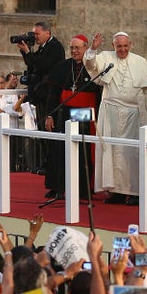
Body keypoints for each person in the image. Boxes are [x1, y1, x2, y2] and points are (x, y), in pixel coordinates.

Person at [84, 31, 147, 205]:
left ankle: (137, 192)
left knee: (133, 154)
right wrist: (93, 48)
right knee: (113, 152)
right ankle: (117, 192)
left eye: (125, 46)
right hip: (111, 112)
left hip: (135, 114)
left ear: (130, 45)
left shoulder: (141, 61)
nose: (122, 49)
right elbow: (90, 64)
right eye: (118, 46)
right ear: (113, 46)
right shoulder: (106, 57)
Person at [42, 34, 102, 200]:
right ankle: (57, 187)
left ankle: (83, 189)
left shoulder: (94, 67)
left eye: (78, 48)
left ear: (85, 48)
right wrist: (49, 115)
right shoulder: (62, 67)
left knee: (82, 151)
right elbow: (53, 95)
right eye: (72, 48)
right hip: (65, 112)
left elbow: (99, 95)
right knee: (59, 150)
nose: (74, 51)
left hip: (85, 114)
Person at [16, 21, 66, 175]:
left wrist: (29, 53)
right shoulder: (43, 47)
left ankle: (51, 164)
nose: (35, 37)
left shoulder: (55, 47)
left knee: (48, 129)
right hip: (41, 95)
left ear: (47, 33)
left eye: (37, 34)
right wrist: (25, 51)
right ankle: (47, 162)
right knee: (42, 129)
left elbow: (43, 65)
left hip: (50, 95)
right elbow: (32, 65)